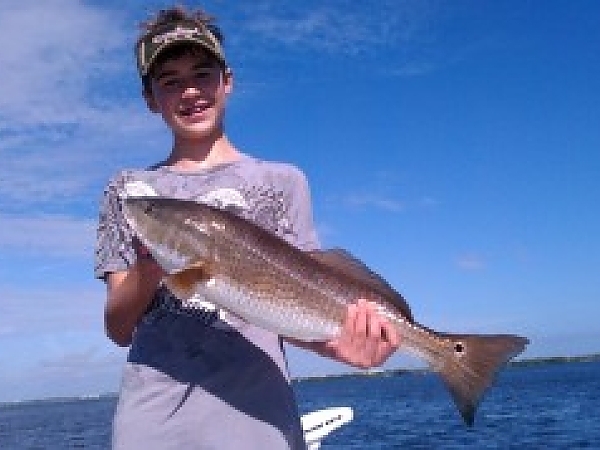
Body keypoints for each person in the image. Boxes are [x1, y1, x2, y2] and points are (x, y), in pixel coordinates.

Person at [94, 5, 400, 450]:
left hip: (260, 418)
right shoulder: (129, 191)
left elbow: (294, 303)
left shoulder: (283, 181)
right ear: (149, 98)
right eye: (170, 81)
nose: (190, 91)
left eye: (202, 73)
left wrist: (340, 345)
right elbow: (119, 329)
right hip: (153, 422)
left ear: (228, 81)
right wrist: (153, 263)